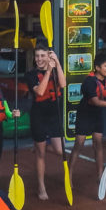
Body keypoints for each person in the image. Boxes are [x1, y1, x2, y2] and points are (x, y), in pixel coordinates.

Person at [68, 53, 106, 183]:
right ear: (97, 67)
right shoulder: (89, 82)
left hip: (97, 115)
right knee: (79, 144)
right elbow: (95, 101)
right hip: (85, 114)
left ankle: (100, 176)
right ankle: (69, 175)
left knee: (98, 143)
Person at [25, 40, 66, 200]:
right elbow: (40, 92)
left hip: (54, 115)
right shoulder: (30, 75)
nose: (40, 59)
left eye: (43, 56)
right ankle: (41, 186)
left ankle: (39, 146)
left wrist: (57, 63)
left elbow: (63, 84)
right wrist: (49, 70)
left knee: (59, 150)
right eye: (37, 56)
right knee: (41, 154)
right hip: (39, 116)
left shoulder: (55, 70)